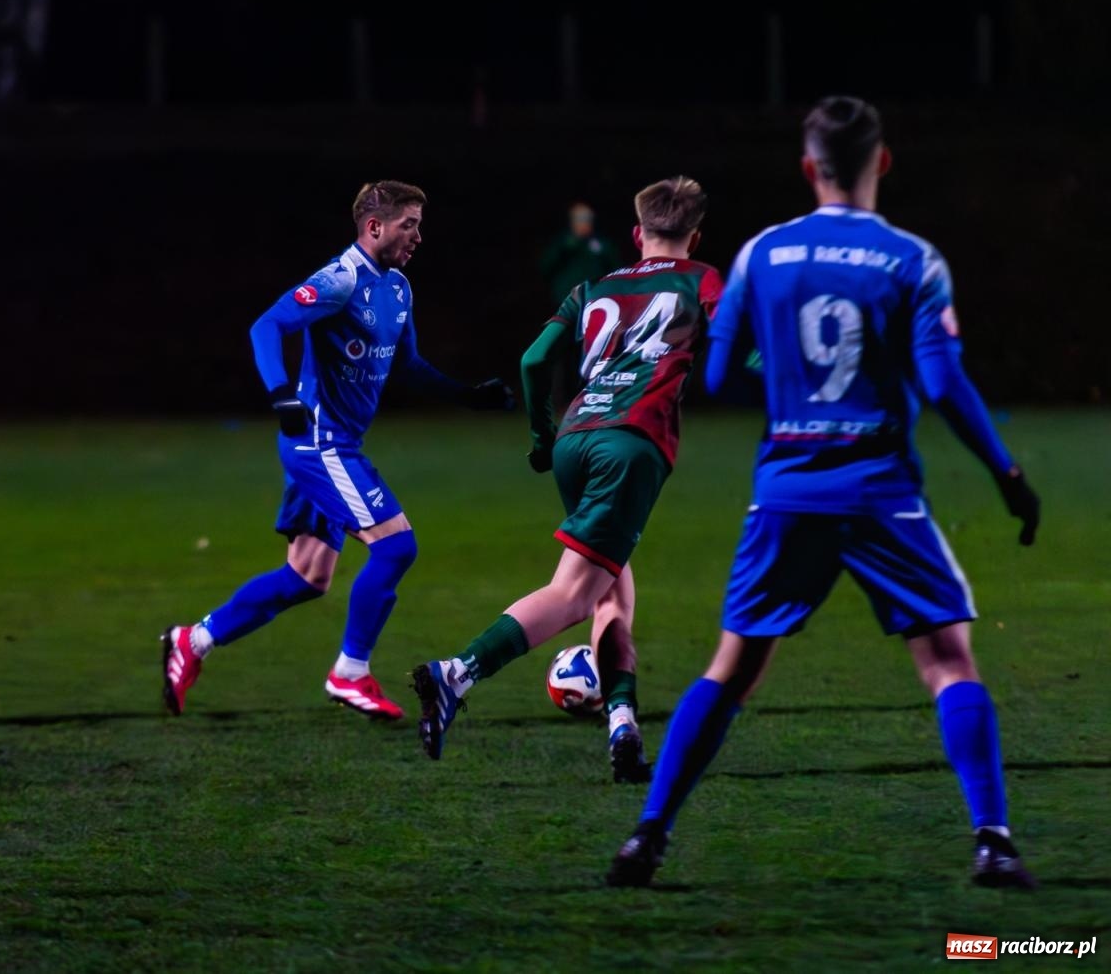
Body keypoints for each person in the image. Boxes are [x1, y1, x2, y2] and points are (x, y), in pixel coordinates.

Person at [604, 97, 1041, 889]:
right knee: (948, 660)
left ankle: (647, 836)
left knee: (732, 667)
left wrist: (788, 384)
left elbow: (712, 371)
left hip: (788, 489)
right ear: (883, 162)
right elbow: (943, 383)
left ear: (809, 168)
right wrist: (1008, 476)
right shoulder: (916, 259)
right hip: (881, 491)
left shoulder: (761, 255)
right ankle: (994, 840)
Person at [162, 181, 515, 720]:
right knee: (397, 547)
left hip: (334, 444)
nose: (418, 235)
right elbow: (267, 325)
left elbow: (408, 366)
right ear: (375, 227)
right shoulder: (341, 277)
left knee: (306, 577)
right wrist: (281, 394)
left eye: (420, 224)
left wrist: (467, 396)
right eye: (409, 225)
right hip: (318, 443)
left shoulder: (397, 289)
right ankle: (350, 672)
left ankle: (192, 641)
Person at [413, 176, 723, 781]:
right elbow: (740, 340)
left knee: (611, 589)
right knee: (576, 593)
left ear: (637, 235)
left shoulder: (594, 286)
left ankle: (622, 723)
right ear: (695, 234)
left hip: (575, 439)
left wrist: (540, 436)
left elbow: (533, 360)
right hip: (630, 442)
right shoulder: (701, 278)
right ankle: (457, 673)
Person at [538, 201, 622, 309]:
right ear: (572, 221)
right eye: (580, 218)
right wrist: (564, 249)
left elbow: (616, 268)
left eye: (588, 218)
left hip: (595, 300)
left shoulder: (601, 243)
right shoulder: (562, 242)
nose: (584, 222)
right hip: (566, 302)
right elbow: (545, 266)